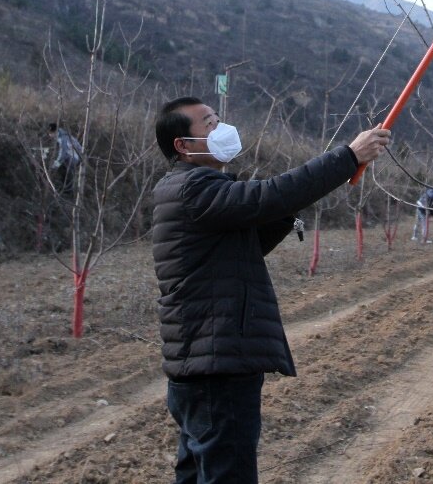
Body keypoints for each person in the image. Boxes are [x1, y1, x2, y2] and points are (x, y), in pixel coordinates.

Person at [151, 96, 390, 484]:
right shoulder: (192, 188)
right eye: (209, 124)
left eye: (218, 119)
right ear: (183, 145)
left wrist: (293, 202)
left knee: (198, 473)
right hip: (217, 365)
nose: (221, 128)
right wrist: (348, 157)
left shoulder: (195, 189)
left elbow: (248, 239)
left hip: (206, 363)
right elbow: (267, 196)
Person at [48, 123, 83, 193]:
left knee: (63, 167)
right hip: (75, 155)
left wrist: (56, 164)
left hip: (75, 157)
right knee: (62, 166)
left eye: (50, 133)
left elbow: (63, 153)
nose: (49, 135)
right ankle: (66, 187)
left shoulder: (62, 138)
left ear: (53, 132)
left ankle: (67, 189)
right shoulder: (63, 134)